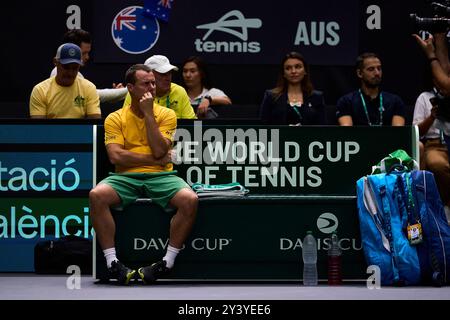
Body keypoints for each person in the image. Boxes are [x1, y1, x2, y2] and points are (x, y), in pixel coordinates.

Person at [89, 64, 198, 285]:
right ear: (130, 88)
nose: (152, 87)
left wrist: (149, 114)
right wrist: (157, 158)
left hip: (162, 176)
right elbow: (116, 157)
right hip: (124, 177)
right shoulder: (114, 118)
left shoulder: (167, 115)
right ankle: (112, 262)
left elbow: (159, 149)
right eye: (145, 83)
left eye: (153, 83)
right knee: (96, 195)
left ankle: (167, 262)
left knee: (190, 200)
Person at [50, 29, 128, 104]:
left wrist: (117, 93)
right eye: (84, 53)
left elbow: (90, 96)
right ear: (72, 51)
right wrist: (128, 90)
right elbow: (94, 95)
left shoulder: (77, 76)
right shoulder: (57, 72)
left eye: (88, 53)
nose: (87, 57)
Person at [29, 43, 101, 119]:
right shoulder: (40, 90)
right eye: (66, 67)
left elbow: (94, 123)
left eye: (75, 68)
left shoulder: (89, 88)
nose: (70, 73)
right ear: (55, 62)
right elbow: (38, 128)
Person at [336, 52, 406, 126]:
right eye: (371, 69)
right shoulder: (346, 101)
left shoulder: (395, 101)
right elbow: (346, 131)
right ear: (360, 73)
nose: (377, 73)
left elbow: (398, 132)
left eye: (379, 68)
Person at [259, 51, 326, 125]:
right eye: (288, 68)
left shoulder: (317, 97)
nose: (293, 71)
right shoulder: (271, 96)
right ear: (283, 73)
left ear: (305, 71)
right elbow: (263, 127)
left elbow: (322, 128)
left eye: (298, 67)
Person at [413, 87, 450, 218]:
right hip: (435, 144)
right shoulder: (424, 97)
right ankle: (445, 205)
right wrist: (432, 117)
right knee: (437, 164)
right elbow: (416, 132)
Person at [123, 55, 196, 119]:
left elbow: (192, 125)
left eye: (169, 73)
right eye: (163, 74)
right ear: (149, 75)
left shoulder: (179, 91)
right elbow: (126, 122)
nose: (168, 78)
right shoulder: (135, 93)